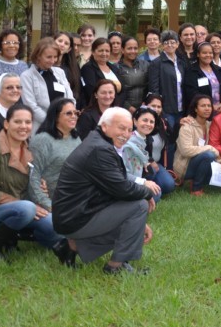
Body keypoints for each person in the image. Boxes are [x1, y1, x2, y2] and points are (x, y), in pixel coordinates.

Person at [52, 106, 159, 274]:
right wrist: (147, 193)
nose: (126, 134)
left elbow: (115, 187)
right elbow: (122, 188)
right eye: (121, 128)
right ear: (104, 126)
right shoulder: (100, 149)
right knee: (139, 206)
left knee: (133, 214)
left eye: (130, 130)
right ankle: (116, 266)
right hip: (74, 217)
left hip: (74, 213)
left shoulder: (98, 142)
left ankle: (71, 246)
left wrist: (138, 225)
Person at [0, 104, 74, 264]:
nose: (23, 126)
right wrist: (27, 205)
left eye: (27, 122)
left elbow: (26, 189)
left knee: (57, 225)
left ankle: (43, 242)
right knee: (27, 208)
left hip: (18, 209)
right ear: (6, 124)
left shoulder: (28, 149)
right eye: (18, 122)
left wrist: (39, 187)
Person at [28, 98, 81, 211]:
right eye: (68, 113)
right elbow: (33, 177)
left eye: (76, 113)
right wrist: (48, 205)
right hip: (52, 204)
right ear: (56, 116)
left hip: (76, 200)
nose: (74, 116)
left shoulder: (76, 138)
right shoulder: (42, 140)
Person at [122, 107, 176, 201]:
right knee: (156, 195)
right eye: (145, 120)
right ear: (135, 121)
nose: (148, 124)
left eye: (151, 122)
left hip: (135, 179)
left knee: (158, 188)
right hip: (125, 183)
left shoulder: (141, 139)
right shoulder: (128, 144)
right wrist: (143, 182)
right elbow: (122, 174)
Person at [20, 38, 74, 131]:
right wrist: (52, 121)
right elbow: (31, 105)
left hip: (64, 124)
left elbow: (70, 98)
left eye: (55, 57)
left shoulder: (60, 72)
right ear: (38, 56)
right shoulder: (27, 76)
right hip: (41, 126)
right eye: (49, 57)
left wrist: (66, 118)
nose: (52, 61)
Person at [173, 95, 221, 196]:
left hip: (199, 162)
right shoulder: (187, 126)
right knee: (208, 155)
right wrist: (209, 148)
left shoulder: (210, 125)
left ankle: (195, 180)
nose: (207, 108)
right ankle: (196, 189)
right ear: (195, 109)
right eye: (203, 106)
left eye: (209, 105)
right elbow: (186, 151)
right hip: (184, 167)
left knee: (213, 159)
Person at [147, 30, 184, 137]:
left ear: (177, 44)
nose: (170, 45)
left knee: (180, 138)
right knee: (169, 139)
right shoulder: (156, 63)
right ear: (162, 45)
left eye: (173, 42)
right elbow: (154, 88)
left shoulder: (181, 62)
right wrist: (159, 108)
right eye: (166, 42)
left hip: (181, 108)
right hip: (167, 109)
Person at [181, 41, 221, 114]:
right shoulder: (191, 71)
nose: (208, 55)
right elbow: (192, 93)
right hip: (201, 113)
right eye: (204, 53)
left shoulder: (219, 70)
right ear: (198, 54)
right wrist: (210, 106)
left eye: (210, 53)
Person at [80, 38, 123, 107]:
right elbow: (91, 91)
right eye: (101, 51)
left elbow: (123, 90)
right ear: (93, 52)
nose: (104, 53)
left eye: (107, 51)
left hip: (116, 107)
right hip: (97, 108)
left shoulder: (114, 68)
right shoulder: (88, 68)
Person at [117, 37, 150, 113]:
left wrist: (146, 103)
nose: (133, 51)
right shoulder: (117, 68)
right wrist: (128, 107)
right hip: (124, 109)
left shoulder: (145, 65)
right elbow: (117, 93)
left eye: (135, 48)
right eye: (129, 48)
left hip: (144, 107)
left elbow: (150, 86)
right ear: (122, 50)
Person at [55, 31, 83, 108]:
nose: (62, 44)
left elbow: (77, 90)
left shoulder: (72, 66)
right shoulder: (44, 65)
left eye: (66, 43)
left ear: (69, 49)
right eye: (60, 41)